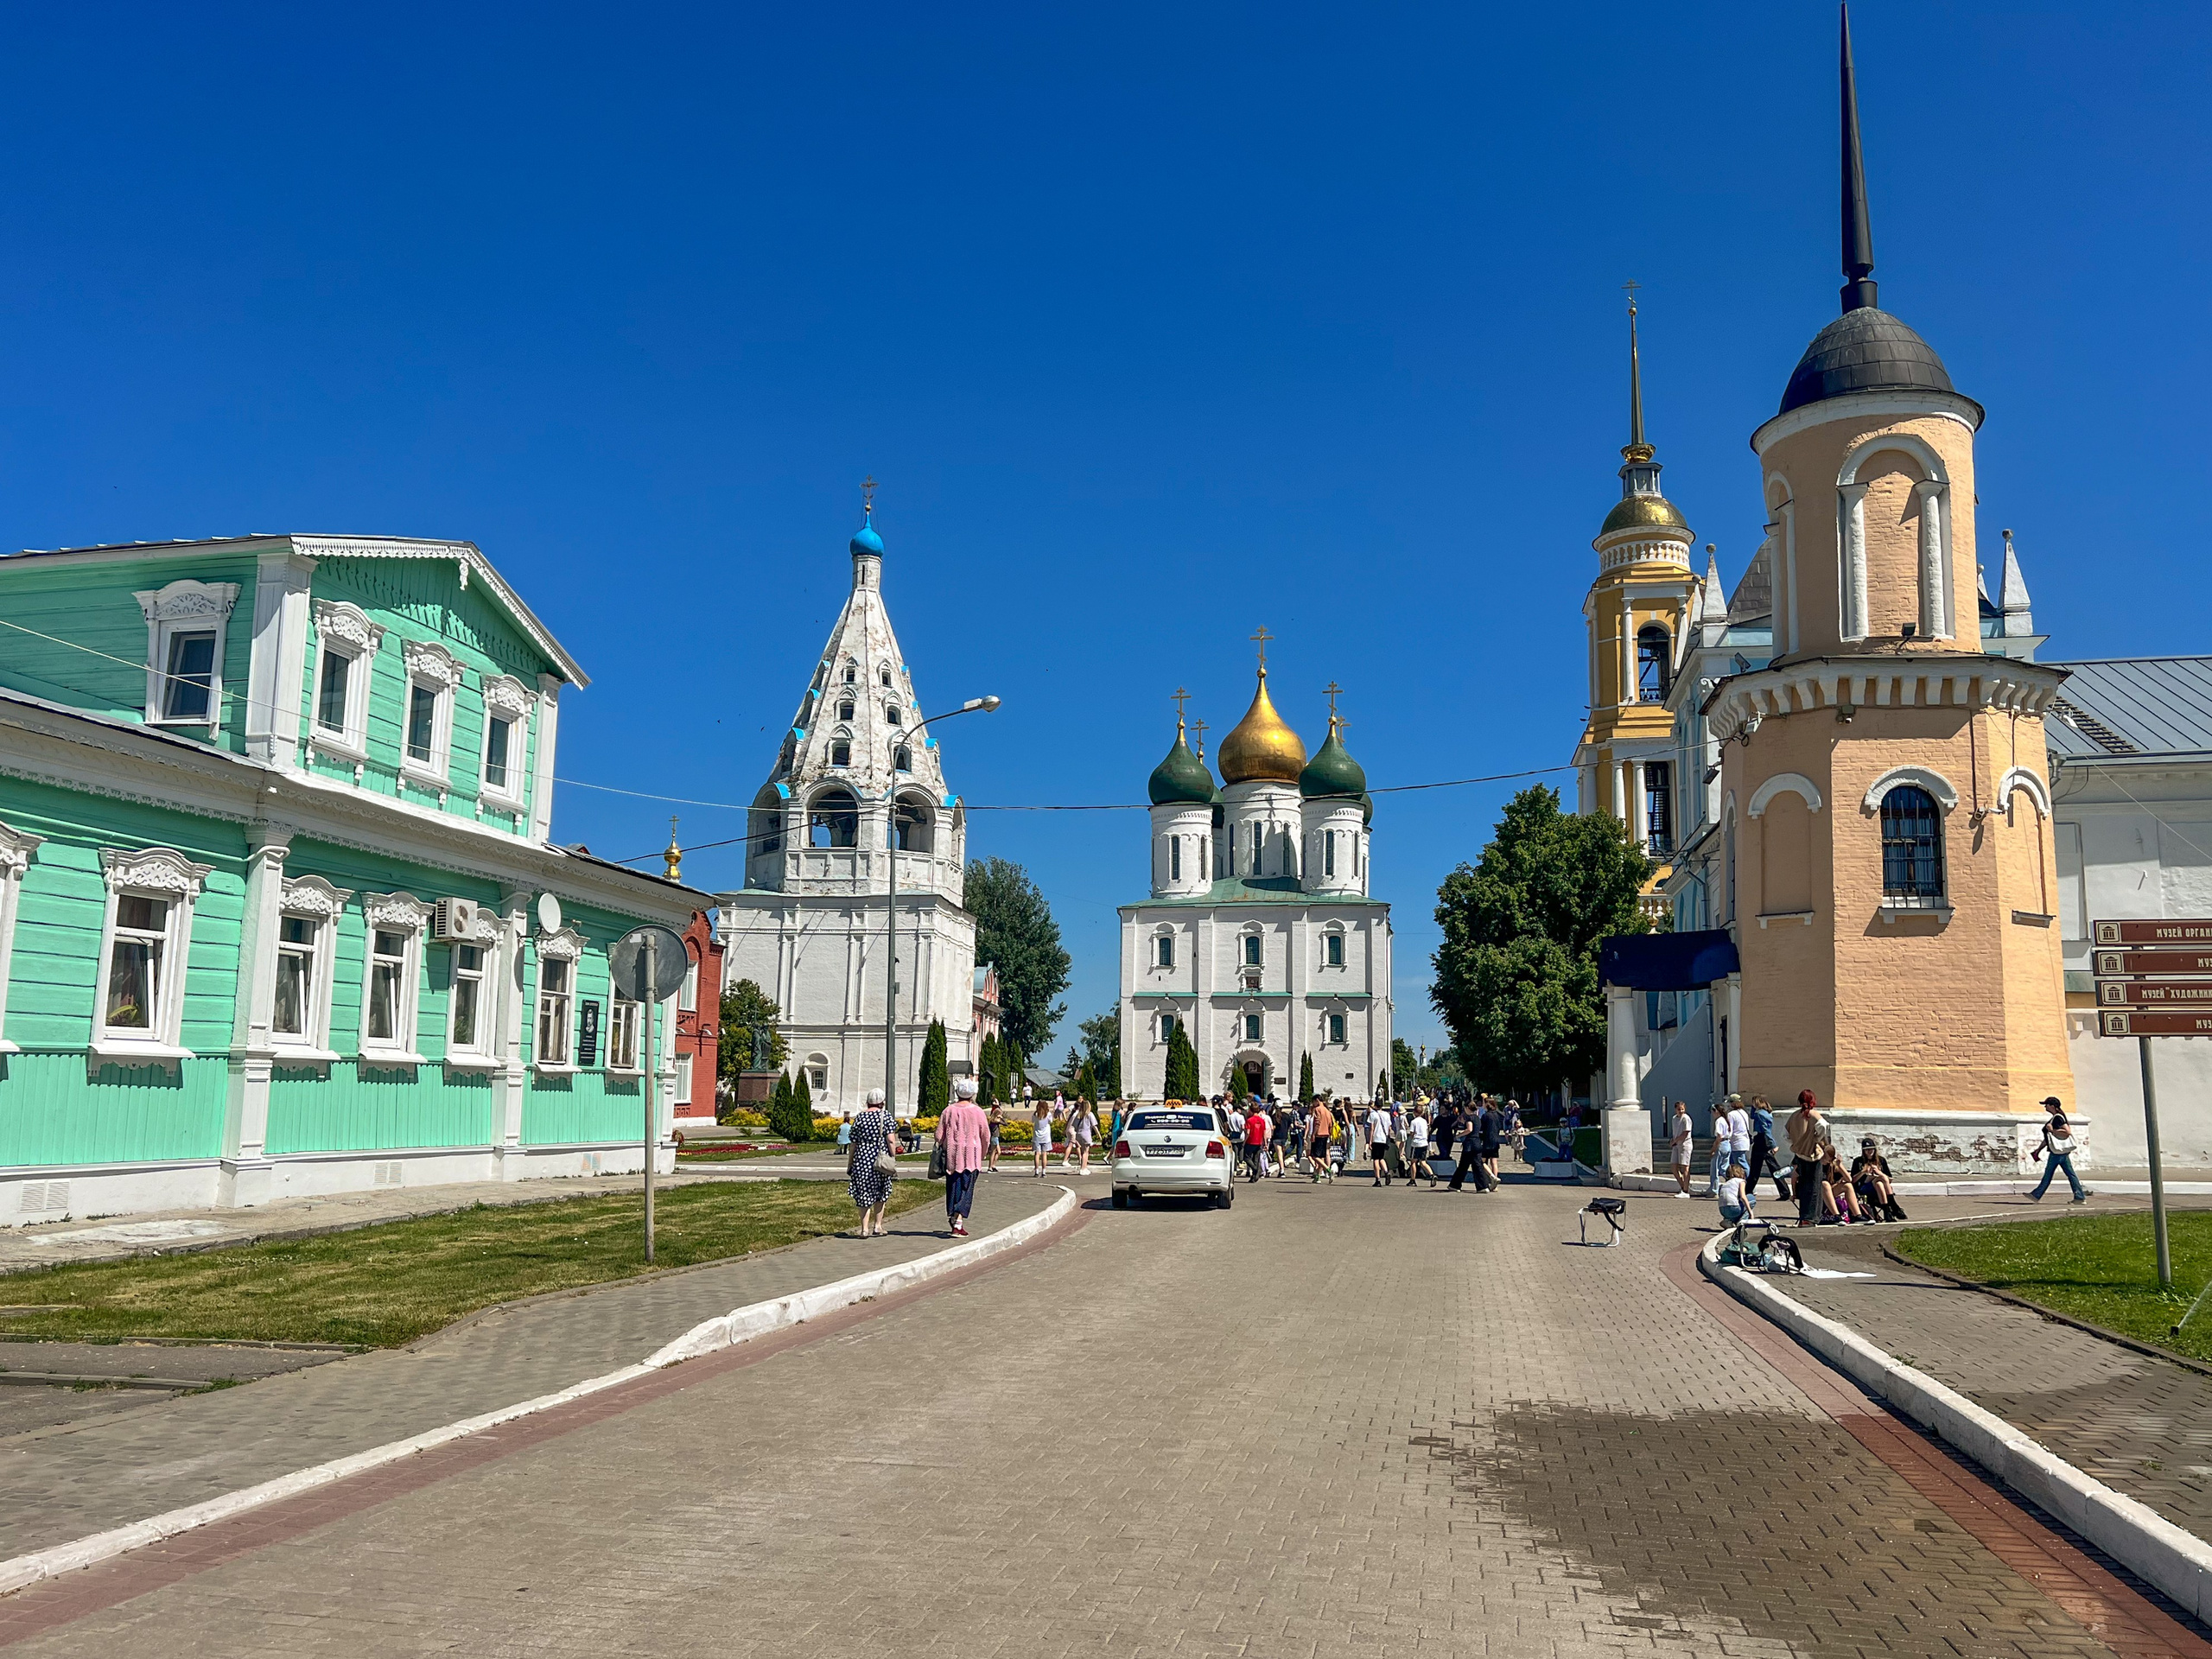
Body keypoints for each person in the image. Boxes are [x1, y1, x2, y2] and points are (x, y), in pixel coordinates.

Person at [845, 1089, 899, 1237]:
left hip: (862, 1159)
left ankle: (864, 1229)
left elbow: (853, 1143)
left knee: (863, 1192)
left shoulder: (860, 1117)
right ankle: (878, 1226)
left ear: (868, 1102)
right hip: (879, 1159)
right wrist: (893, 1157)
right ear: (882, 1102)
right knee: (881, 1191)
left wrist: (850, 1163)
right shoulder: (885, 1116)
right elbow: (891, 1140)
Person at [938, 1079, 989, 1236]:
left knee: (954, 1188)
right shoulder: (978, 1112)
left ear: (957, 1092)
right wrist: (983, 1153)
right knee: (967, 1189)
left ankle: (954, 1218)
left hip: (952, 1158)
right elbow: (985, 1135)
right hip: (972, 1158)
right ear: (972, 1094)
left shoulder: (948, 1111)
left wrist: (946, 1142)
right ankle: (958, 1223)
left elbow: (939, 1135)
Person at [2028, 1102, 2088, 1204]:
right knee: (2070, 1174)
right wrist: (2039, 1149)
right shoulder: (2055, 1118)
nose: (2045, 1106)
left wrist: (2052, 1130)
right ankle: (2079, 1197)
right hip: (2059, 1151)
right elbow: (2049, 1138)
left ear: (2052, 1106)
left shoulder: (2058, 1118)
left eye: (2046, 1104)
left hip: (2057, 1153)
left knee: (2049, 1174)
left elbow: (2067, 1132)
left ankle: (2036, 1195)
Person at [1786, 1090, 1829, 1228]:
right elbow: (1824, 1125)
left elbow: (1785, 1135)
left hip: (1799, 1155)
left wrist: (1796, 1142)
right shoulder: (1813, 1114)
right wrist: (1817, 1137)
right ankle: (1811, 1218)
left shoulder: (1794, 1116)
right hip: (1813, 1155)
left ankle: (1803, 1216)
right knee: (1814, 1187)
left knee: (1803, 1186)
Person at [1745, 1095, 1791, 1202]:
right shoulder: (1767, 1113)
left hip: (1761, 1141)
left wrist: (1773, 1144)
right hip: (1765, 1141)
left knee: (1755, 1169)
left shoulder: (1759, 1114)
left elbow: (1765, 1130)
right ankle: (1785, 1191)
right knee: (1774, 1168)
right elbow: (1753, 1117)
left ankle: (1747, 1191)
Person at [1852, 1137, 1904, 1222]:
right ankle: (1893, 1206)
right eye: (1867, 1150)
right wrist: (1863, 1172)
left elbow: (1890, 1179)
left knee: (1879, 1183)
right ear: (1863, 1151)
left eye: (1871, 1149)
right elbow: (1853, 1180)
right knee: (1880, 1180)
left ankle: (1887, 1213)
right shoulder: (1858, 1161)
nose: (1870, 1151)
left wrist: (1879, 1173)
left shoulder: (1881, 1160)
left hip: (1880, 1187)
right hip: (1865, 1187)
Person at [1717, 1157, 1752, 1227]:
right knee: (1751, 1198)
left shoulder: (1724, 1184)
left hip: (1722, 1210)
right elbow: (1743, 1197)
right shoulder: (1741, 1181)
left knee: (1736, 1204)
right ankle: (1741, 1222)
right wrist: (1750, 1212)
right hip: (1733, 1208)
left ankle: (1728, 1220)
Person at [1669, 1101, 1694, 1197]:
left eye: (1682, 1109)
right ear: (1675, 1109)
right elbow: (1675, 1132)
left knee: (1685, 1167)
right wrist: (1673, 1141)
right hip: (1676, 1145)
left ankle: (1685, 1190)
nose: (1681, 1111)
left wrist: (1675, 1140)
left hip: (1685, 1144)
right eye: (1679, 1109)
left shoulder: (1686, 1118)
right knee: (1673, 1167)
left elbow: (1685, 1133)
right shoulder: (1674, 1119)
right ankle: (1683, 1186)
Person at [1406, 1107, 1433, 1189]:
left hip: (1416, 1143)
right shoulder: (1424, 1121)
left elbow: (1412, 1133)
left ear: (1414, 1112)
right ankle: (1432, 1175)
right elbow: (1426, 1131)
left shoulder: (1414, 1122)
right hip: (1424, 1143)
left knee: (1413, 1162)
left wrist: (1411, 1137)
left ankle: (1413, 1179)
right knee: (1423, 1162)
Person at [1309, 1098, 1336, 1182]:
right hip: (1326, 1134)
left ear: (1317, 1100)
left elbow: (1318, 1122)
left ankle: (1328, 1170)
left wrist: (1313, 1134)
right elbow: (1330, 1124)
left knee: (1314, 1156)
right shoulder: (1327, 1111)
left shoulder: (1318, 1109)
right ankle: (1318, 1176)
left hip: (1319, 1134)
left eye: (1313, 1102)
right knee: (1321, 1157)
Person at [1071, 1098, 1098, 1173]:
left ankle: (1083, 1167)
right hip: (1086, 1134)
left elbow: (1074, 1126)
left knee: (1083, 1151)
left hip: (1079, 1134)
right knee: (1086, 1152)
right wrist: (1098, 1134)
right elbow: (1094, 1125)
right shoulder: (1090, 1114)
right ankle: (1083, 1168)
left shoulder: (1079, 1115)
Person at [1243, 1099, 1268, 1181]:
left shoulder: (1249, 1120)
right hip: (1259, 1142)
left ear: (1251, 1110)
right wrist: (1265, 1143)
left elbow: (1248, 1132)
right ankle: (1254, 1177)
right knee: (1256, 1159)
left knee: (1246, 1157)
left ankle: (1255, 1169)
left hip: (1250, 1141)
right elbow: (1264, 1132)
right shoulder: (1262, 1120)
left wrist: (1244, 1142)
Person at [1031, 1096, 1053, 1176]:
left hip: (1037, 1136)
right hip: (1046, 1136)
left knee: (1037, 1154)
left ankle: (1036, 1171)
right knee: (1044, 1154)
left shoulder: (1036, 1114)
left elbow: (1033, 1121)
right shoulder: (1048, 1114)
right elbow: (1051, 1121)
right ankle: (1043, 1172)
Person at [986, 1101, 1005, 1173]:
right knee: (993, 1152)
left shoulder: (993, 1120)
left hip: (995, 1137)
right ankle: (990, 1167)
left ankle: (993, 1165)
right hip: (994, 1137)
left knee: (998, 1152)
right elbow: (1005, 1123)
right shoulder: (995, 1120)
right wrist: (1001, 1118)